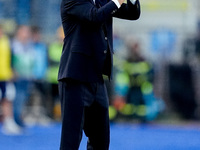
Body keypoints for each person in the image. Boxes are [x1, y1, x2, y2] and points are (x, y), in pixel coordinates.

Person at [58, 0, 140, 149]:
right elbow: (94, 16)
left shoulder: (102, 0)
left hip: (97, 78)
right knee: (70, 142)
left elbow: (132, 14)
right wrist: (116, 1)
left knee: (101, 141)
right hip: (75, 78)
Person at [0, 24, 21, 134]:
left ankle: (8, 122)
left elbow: (11, 57)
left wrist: (13, 70)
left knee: (8, 99)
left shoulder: (7, 41)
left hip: (5, 76)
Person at [12, 25, 34, 127]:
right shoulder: (14, 45)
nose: (26, 34)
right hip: (17, 76)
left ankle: (20, 119)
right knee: (17, 99)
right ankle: (15, 120)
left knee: (23, 99)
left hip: (27, 76)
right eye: (24, 32)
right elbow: (11, 60)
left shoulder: (29, 45)